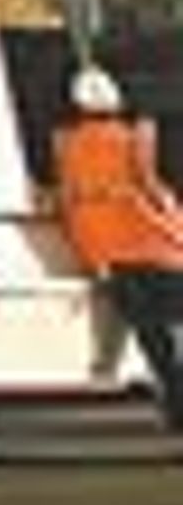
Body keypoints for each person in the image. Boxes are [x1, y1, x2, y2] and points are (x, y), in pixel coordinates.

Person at [55, 64, 183, 432]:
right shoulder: (136, 135)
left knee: (153, 337)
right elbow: (150, 184)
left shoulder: (66, 143)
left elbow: (66, 196)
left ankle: (176, 406)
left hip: (109, 254)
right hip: (158, 245)